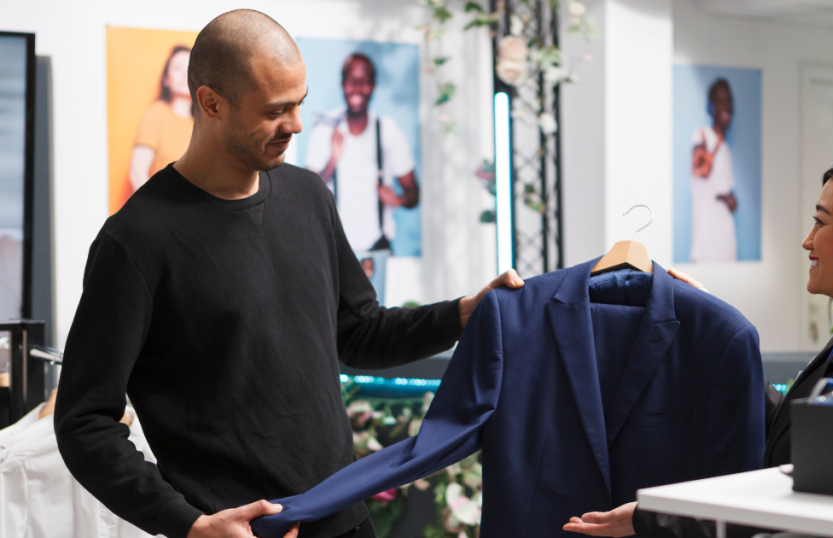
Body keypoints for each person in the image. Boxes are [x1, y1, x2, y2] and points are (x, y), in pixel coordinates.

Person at [54, 10, 523, 538]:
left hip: (346, 517)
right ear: (210, 103)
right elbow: (84, 422)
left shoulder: (307, 196)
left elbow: (360, 331)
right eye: (276, 111)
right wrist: (189, 524)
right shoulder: (135, 241)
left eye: (299, 103)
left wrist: (466, 312)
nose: (297, 125)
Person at [563, 153, 833, 538]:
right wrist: (712, 330)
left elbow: (792, 512)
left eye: (820, 223)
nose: (807, 241)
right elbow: (794, 427)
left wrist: (654, 518)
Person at [305, 53, 418, 254]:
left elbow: (413, 195)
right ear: (342, 84)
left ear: (373, 86)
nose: (357, 88)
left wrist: (399, 200)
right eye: (351, 81)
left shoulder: (388, 131)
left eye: (364, 82)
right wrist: (333, 159)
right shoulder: (325, 130)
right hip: (333, 247)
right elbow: (307, 195)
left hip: (377, 248)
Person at [128, 45, 193, 193]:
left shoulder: (205, 124)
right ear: (166, 79)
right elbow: (137, 173)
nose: (185, 73)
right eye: (177, 68)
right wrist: (159, 214)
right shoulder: (157, 112)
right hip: (163, 211)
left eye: (190, 68)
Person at [690, 78, 738, 264]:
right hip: (705, 244)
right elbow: (701, 169)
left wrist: (730, 200)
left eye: (729, 101)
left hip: (726, 242)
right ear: (711, 106)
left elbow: (731, 198)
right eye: (720, 101)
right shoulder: (701, 136)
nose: (726, 106)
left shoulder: (727, 150)